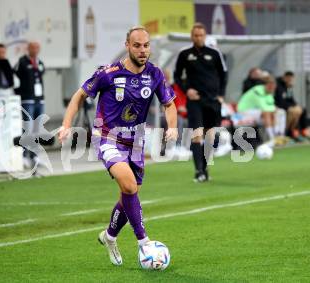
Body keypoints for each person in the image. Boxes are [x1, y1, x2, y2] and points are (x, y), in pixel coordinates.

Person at [58, 26, 178, 266]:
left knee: (128, 195)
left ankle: (110, 237)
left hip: (135, 141)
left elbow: (169, 104)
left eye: (146, 45)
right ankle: (144, 244)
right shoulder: (108, 73)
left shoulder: (154, 74)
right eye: (137, 45)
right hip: (107, 137)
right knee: (129, 185)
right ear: (127, 45)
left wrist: (172, 127)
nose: (142, 50)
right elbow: (79, 95)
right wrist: (66, 124)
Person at [173, 22, 228, 182]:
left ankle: (204, 169)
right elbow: (177, 76)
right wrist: (186, 90)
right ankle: (198, 171)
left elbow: (224, 75)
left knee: (210, 136)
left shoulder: (215, 53)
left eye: (201, 35)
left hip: (212, 100)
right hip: (195, 101)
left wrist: (221, 96)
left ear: (205, 36)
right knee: (197, 135)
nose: (198, 38)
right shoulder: (184, 54)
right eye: (195, 35)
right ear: (192, 36)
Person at [14, 41, 46, 168]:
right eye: (33, 47)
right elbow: (15, 78)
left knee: (37, 129)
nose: (35, 49)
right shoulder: (22, 62)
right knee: (27, 128)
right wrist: (19, 93)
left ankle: (35, 156)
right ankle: (24, 156)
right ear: (28, 49)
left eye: (37, 47)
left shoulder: (40, 62)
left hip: (39, 99)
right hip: (27, 99)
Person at [237, 76, 283, 146]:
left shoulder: (269, 93)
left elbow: (271, 106)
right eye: (271, 86)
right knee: (267, 113)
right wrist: (274, 109)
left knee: (278, 112)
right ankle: (272, 138)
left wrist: (275, 109)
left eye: (274, 87)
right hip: (243, 111)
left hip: (255, 112)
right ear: (267, 85)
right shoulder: (257, 90)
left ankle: (278, 136)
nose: (272, 89)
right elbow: (263, 107)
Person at [274, 71, 310, 140]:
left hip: (287, 106)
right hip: (280, 106)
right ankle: (288, 132)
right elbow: (280, 101)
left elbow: (291, 99)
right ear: (285, 77)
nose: (290, 80)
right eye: (289, 79)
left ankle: (302, 130)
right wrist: (290, 106)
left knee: (301, 110)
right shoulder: (278, 86)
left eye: (291, 79)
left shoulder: (288, 86)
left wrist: (296, 105)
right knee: (294, 112)